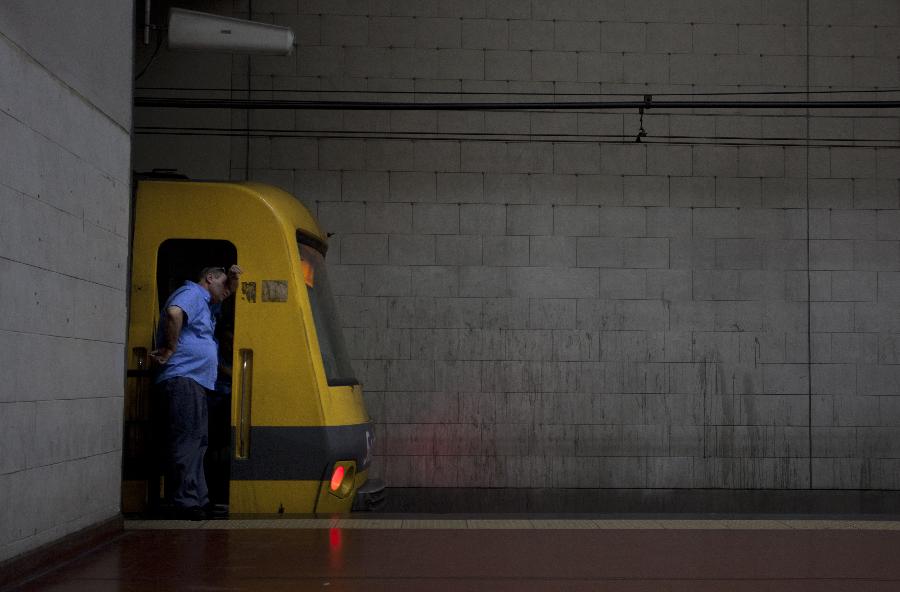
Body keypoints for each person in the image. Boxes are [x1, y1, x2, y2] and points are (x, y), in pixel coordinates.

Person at [151, 264, 242, 520]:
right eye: (223, 283)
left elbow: (226, 294)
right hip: (184, 377)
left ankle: (199, 498)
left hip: (195, 381)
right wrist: (169, 348)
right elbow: (173, 312)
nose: (227, 290)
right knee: (189, 442)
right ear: (209, 278)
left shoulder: (207, 302)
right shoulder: (191, 294)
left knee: (198, 441)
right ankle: (187, 502)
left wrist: (232, 281)